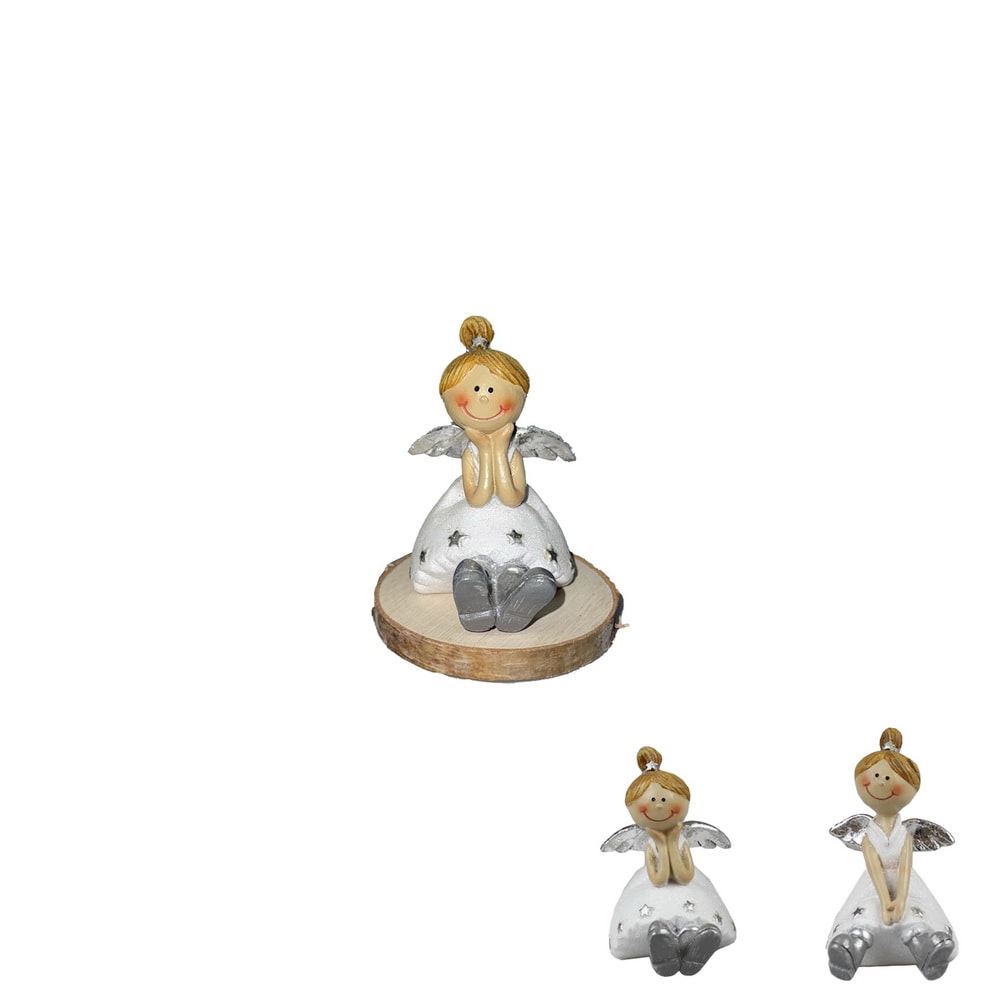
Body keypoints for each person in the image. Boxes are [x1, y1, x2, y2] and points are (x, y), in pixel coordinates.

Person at [409, 316, 575, 631]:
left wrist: (500, 451)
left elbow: (513, 498)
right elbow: (477, 497)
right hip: (472, 518)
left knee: (517, 556)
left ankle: (512, 597)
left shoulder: (513, 450)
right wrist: (486, 450)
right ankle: (472, 588)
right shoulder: (469, 453)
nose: (484, 396)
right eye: (475, 389)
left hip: (515, 519)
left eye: (491, 389)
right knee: (469, 555)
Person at [827, 727, 957, 980]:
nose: (880, 782)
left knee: (912, 911)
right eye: (875, 775)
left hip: (904, 885)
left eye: (887, 778)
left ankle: (925, 948)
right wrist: (886, 900)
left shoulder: (905, 834)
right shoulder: (869, 834)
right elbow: (874, 867)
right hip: (874, 886)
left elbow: (905, 866)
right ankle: (851, 949)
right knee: (867, 909)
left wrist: (900, 899)